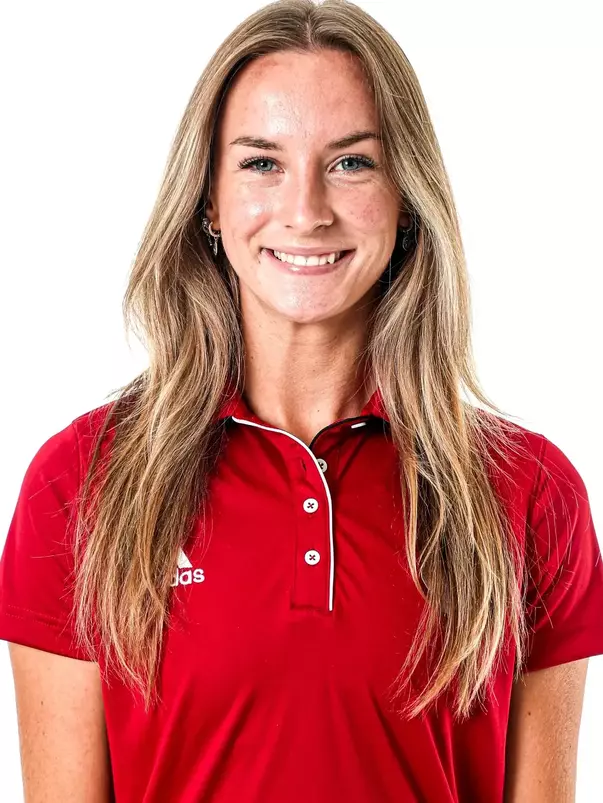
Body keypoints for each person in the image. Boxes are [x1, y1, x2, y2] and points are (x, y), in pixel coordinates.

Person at [1, 1, 602, 801]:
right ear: (208, 200)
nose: (306, 210)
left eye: (351, 162)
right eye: (261, 163)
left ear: (406, 197)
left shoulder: (529, 491)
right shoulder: (80, 483)